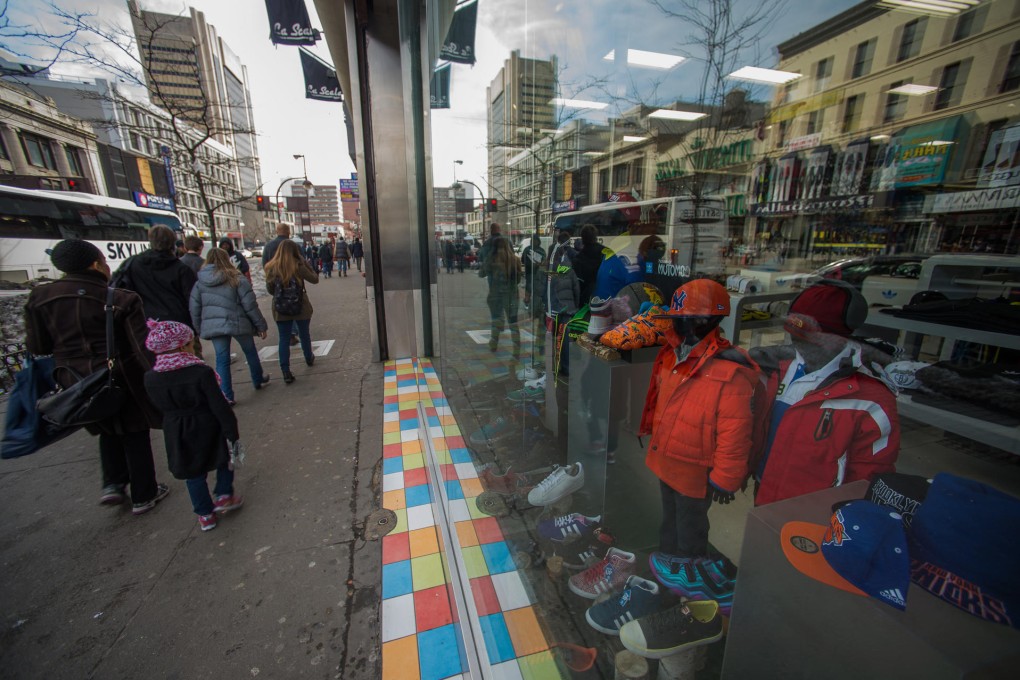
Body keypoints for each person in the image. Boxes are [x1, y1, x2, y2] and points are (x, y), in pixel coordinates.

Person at [25, 239, 168, 514]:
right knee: (134, 432)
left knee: (104, 427)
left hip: (74, 379)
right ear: (95, 264)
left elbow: (39, 346)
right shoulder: (120, 299)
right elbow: (142, 347)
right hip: (121, 377)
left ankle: (113, 484)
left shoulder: (40, 298)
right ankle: (144, 493)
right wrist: (160, 377)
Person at [750, 281, 900, 506]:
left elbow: (868, 477)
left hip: (815, 509)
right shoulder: (776, 367)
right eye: (792, 331)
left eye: (806, 336)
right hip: (765, 486)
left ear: (835, 337)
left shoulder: (870, 399)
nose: (795, 341)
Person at [639, 279, 759, 558]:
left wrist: (726, 477)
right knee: (668, 524)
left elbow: (736, 431)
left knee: (690, 532)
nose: (677, 327)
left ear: (706, 321)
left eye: (685, 320)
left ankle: (688, 580)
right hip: (667, 461)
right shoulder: (672, 354)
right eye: (677, 320)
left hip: (695, 473)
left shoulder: (730, 371)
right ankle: (667, 570)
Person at [142, 320, 244, 532]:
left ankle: (205, 514)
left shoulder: (151, 378)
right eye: (190, 343)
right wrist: (231, 430)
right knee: (223, 459)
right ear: (181, 346)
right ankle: (224, 494)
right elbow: (219, 405)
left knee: (192, 473)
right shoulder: (200, 372)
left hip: (175, 428)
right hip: (206, 424)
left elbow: (156, 406)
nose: (193, 347)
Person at [190, 248, 271, 406]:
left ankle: (226, 394)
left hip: (214, 325)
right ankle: (257, 378)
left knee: (222, 359)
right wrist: (260, 325)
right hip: (238, 321)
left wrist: (198, 328)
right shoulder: (236, 278)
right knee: (250, 351)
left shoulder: (200, 282)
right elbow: (249, 304)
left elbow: (194, 308)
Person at [112, 224, 200, 357]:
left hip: (148, 325)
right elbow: (193, 300)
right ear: (173, 242)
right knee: (190, 363)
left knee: (155, 365)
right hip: (180, 326)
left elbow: (119, 290)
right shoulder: (181, 269)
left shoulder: (132, 264)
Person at [265, 239, 319, 384]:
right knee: (304, 333)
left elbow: (270, 289)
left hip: (281, 309)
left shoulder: (271, 267)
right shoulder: (298, 265)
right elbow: (315, 279)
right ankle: (308, 357)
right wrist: (306, 263)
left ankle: (285, 371)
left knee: (284, 338)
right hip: (300, 305)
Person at [478, 236, 522, 356]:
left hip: (495, 295)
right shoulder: (515, 260)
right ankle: (516, 349)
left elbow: (481, 274)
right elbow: (518, 280)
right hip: (512, 296)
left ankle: (494, 344)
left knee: (496, 320)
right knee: (513, 322)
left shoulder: (492, 260)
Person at [520, 233, 547, 362]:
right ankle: (540, 344)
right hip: (539, 280)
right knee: (541, 318)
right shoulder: (542, 251)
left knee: (529, 293)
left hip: (531, 278)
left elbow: (522, 261)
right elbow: (544, 265)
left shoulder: (526, 250)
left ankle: (528, 305)